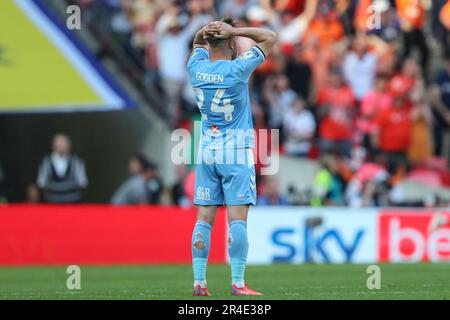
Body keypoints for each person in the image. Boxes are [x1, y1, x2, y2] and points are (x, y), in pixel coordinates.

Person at [187, 18, 276, 296]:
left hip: (206, 152)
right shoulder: (238, 69)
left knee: (204, 218)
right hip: (235, 152)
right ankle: (238, 283)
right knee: (237, 218)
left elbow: (196, 42)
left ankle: (199, 283)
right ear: (231, 43)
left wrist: (207, 29)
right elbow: (270, 37)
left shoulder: (195, 68)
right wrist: (235, 30)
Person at [36, 134, 88, 203]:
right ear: (53, 146)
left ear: (69, 146)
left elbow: (83, 182)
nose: (62, 147)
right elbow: (41, 182)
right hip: (52, 201)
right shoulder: (46, 162)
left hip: (72, 201)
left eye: (64, 144)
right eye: (59, 144)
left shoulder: (76, 161)